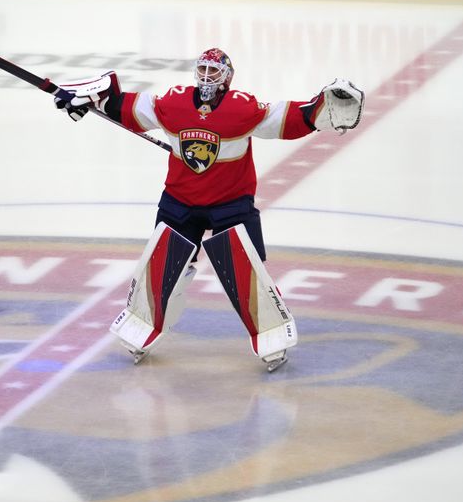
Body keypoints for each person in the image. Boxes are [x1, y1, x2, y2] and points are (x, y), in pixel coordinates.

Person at [55, 48, 364, 369]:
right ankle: (142, 326)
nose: (207, 76)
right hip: (179, 200)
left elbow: (285, 119)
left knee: (246, 270)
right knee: (163, 267)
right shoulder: (172, 103)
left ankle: (272, 335)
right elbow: (125, 106)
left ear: (227, 77)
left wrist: (318, 110)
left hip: (231, 204)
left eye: (214, 71)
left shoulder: (242, 108)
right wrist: (90, 102)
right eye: (202, 69)